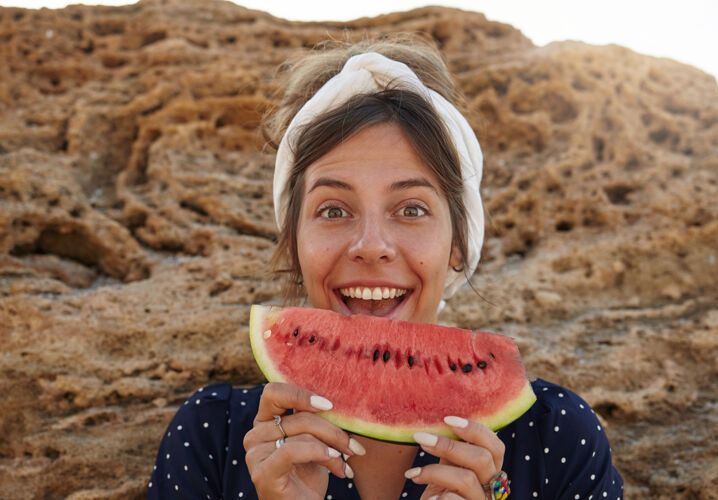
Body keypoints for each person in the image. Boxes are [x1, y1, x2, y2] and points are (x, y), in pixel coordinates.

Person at [147, 36, 624, 500]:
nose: (370, 246)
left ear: (458, 244)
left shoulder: (556, 438)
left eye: (411, 209)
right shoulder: (213, 437)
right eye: (334, 210)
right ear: (294, 244)